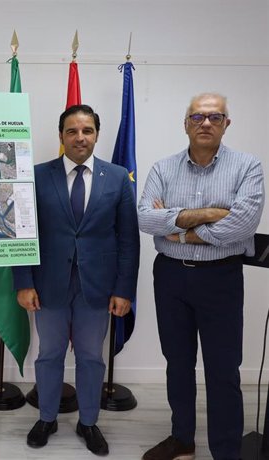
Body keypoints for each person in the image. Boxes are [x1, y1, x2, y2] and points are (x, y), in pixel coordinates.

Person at [138, 93, 264, 460]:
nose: (205, 123)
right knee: (177, 362)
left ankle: (226, 451)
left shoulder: (247, 167)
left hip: (221, 279)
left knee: (223, 369)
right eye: (197, 117)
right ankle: (183, 440)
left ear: (227, 123)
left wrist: (176, 225)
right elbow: (146, 219)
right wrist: (212, 212)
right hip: (171, 278)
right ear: (186, 124)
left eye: (214, 116)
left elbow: (243, 225)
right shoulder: (163, 168)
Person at [13, 104, 140, 456]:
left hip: (97, 287)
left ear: (96, 134)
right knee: (49, 354)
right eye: (72, 131)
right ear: (61, 136)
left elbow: (128, 238)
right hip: (48, 284)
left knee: (90, 357)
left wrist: (124, 289)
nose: (80, 137)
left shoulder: (116, 178)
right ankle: (47, 418)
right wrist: (23, 281)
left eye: (87, 130)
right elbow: (24, 234)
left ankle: (88, 422)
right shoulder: (37, 176)